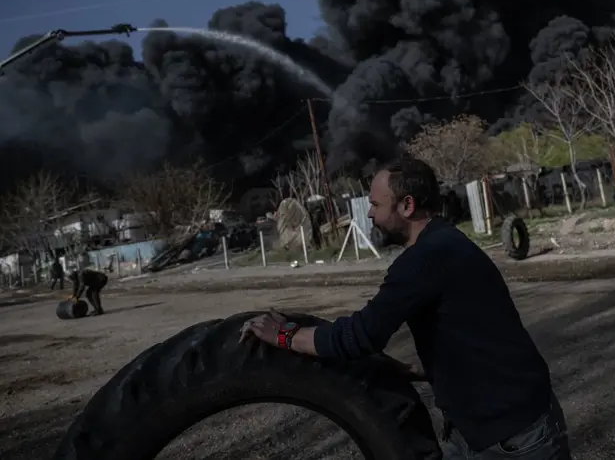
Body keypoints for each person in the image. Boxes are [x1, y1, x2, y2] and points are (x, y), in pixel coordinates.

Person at [240, 157, 571, 459]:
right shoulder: (446, 241)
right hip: (485, 429)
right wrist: (414, 371)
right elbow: (475, 333)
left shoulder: (425, 260)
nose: (369, 213)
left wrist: (284, 336)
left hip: (514, 438)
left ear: (407, 205)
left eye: (375, 204)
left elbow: (360, 335)